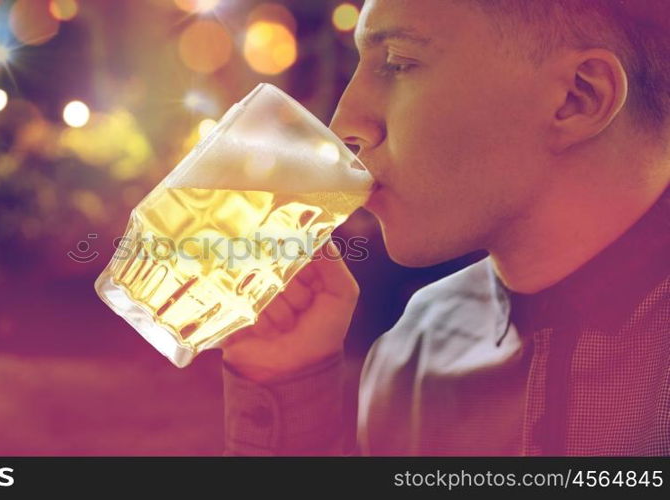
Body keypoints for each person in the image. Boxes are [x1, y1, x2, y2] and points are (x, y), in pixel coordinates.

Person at [221, 0, 670, 455]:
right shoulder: (414, 349)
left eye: (398, 63)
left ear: (578, 97)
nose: (343, 126)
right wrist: (291, 393)